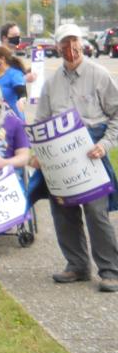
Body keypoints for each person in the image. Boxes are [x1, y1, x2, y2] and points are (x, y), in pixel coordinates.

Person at [35, 24, 118, 292]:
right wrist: (40, 154)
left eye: (74, 42)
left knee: (96, 213)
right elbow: (41, 121)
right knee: (62, 210)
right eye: (65, 43)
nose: (70, 49)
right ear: (57, 47)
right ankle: (77, 265)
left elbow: (116, 114)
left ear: (82, 43)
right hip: (61, 155)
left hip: (90, 151)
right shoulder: (51, 83)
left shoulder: (99, 75)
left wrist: (105, 144)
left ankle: (110, 271)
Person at [0, 45, 28, 120]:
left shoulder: (14, 74)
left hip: (14, 118)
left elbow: (22, 92)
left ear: (2, 59)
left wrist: (22, 100)